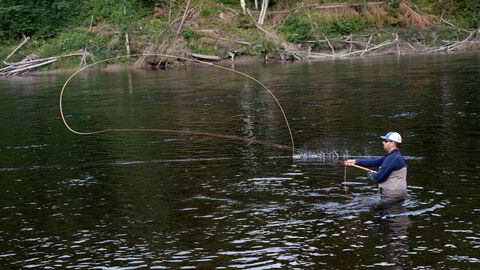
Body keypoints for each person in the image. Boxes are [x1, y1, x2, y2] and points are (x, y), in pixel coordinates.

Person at [344, 132, 408, 207]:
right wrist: (355, 161)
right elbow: (374, 162)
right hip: (398, 196)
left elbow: (379, 177)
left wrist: (371, 174)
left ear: (392, 143)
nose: (383, 142)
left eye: (385, 141)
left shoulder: (393, 158)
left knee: (368, 208)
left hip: (392, 198)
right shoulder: (394, 156)